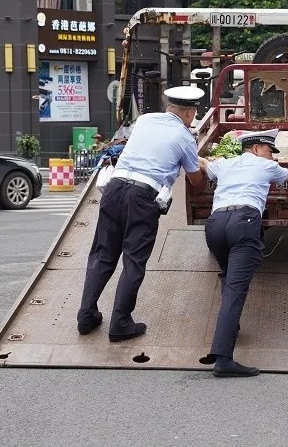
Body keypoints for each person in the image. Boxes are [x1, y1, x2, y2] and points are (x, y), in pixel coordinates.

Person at [76, 86, 208, 342]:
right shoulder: (185, 137)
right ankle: (120, 322)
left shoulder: (145, 120)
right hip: (143, 196)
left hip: (115, 188)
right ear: (191, 113)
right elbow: (196, 181)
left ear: (169, 106)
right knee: (133, 260)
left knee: (103, 254)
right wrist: (202, 165)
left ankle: (86, 315)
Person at [204, 129, 288, 377]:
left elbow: (203, 165)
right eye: (269, 151)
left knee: (228, 277)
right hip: (243, 223)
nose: (272, 157)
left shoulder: (225, 164)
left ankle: (230, 326)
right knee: (236, 288)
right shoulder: (265, 166)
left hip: (215, 225)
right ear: (256, 149)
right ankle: (223, 358)